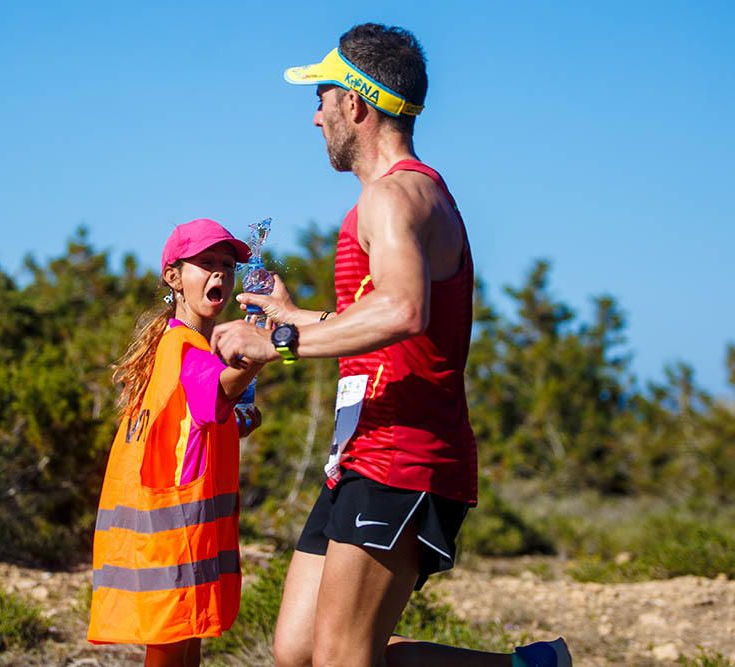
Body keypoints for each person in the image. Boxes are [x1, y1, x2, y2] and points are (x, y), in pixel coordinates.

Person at [210, 23, 572, 667]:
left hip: (402, 457)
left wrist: (281, 344)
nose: (314, 116)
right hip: (361, 451)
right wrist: (299, 316)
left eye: (321, 97)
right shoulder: (393, 200)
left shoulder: (395, 196)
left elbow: (403, 310)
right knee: (299, 651)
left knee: (343, 659)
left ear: (355, 104)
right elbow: (388, 318)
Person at [88, 218, 264, 667]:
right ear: (173, 277)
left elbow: (195, 421)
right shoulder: (187, 348)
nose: (220, 274)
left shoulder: (168, 345)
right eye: (205, 263)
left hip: (177, 532)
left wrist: (234, 424)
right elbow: (216, 391)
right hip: (176, 536)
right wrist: (260, 353)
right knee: (172, 650)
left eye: (226, 265)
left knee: (185, 648)